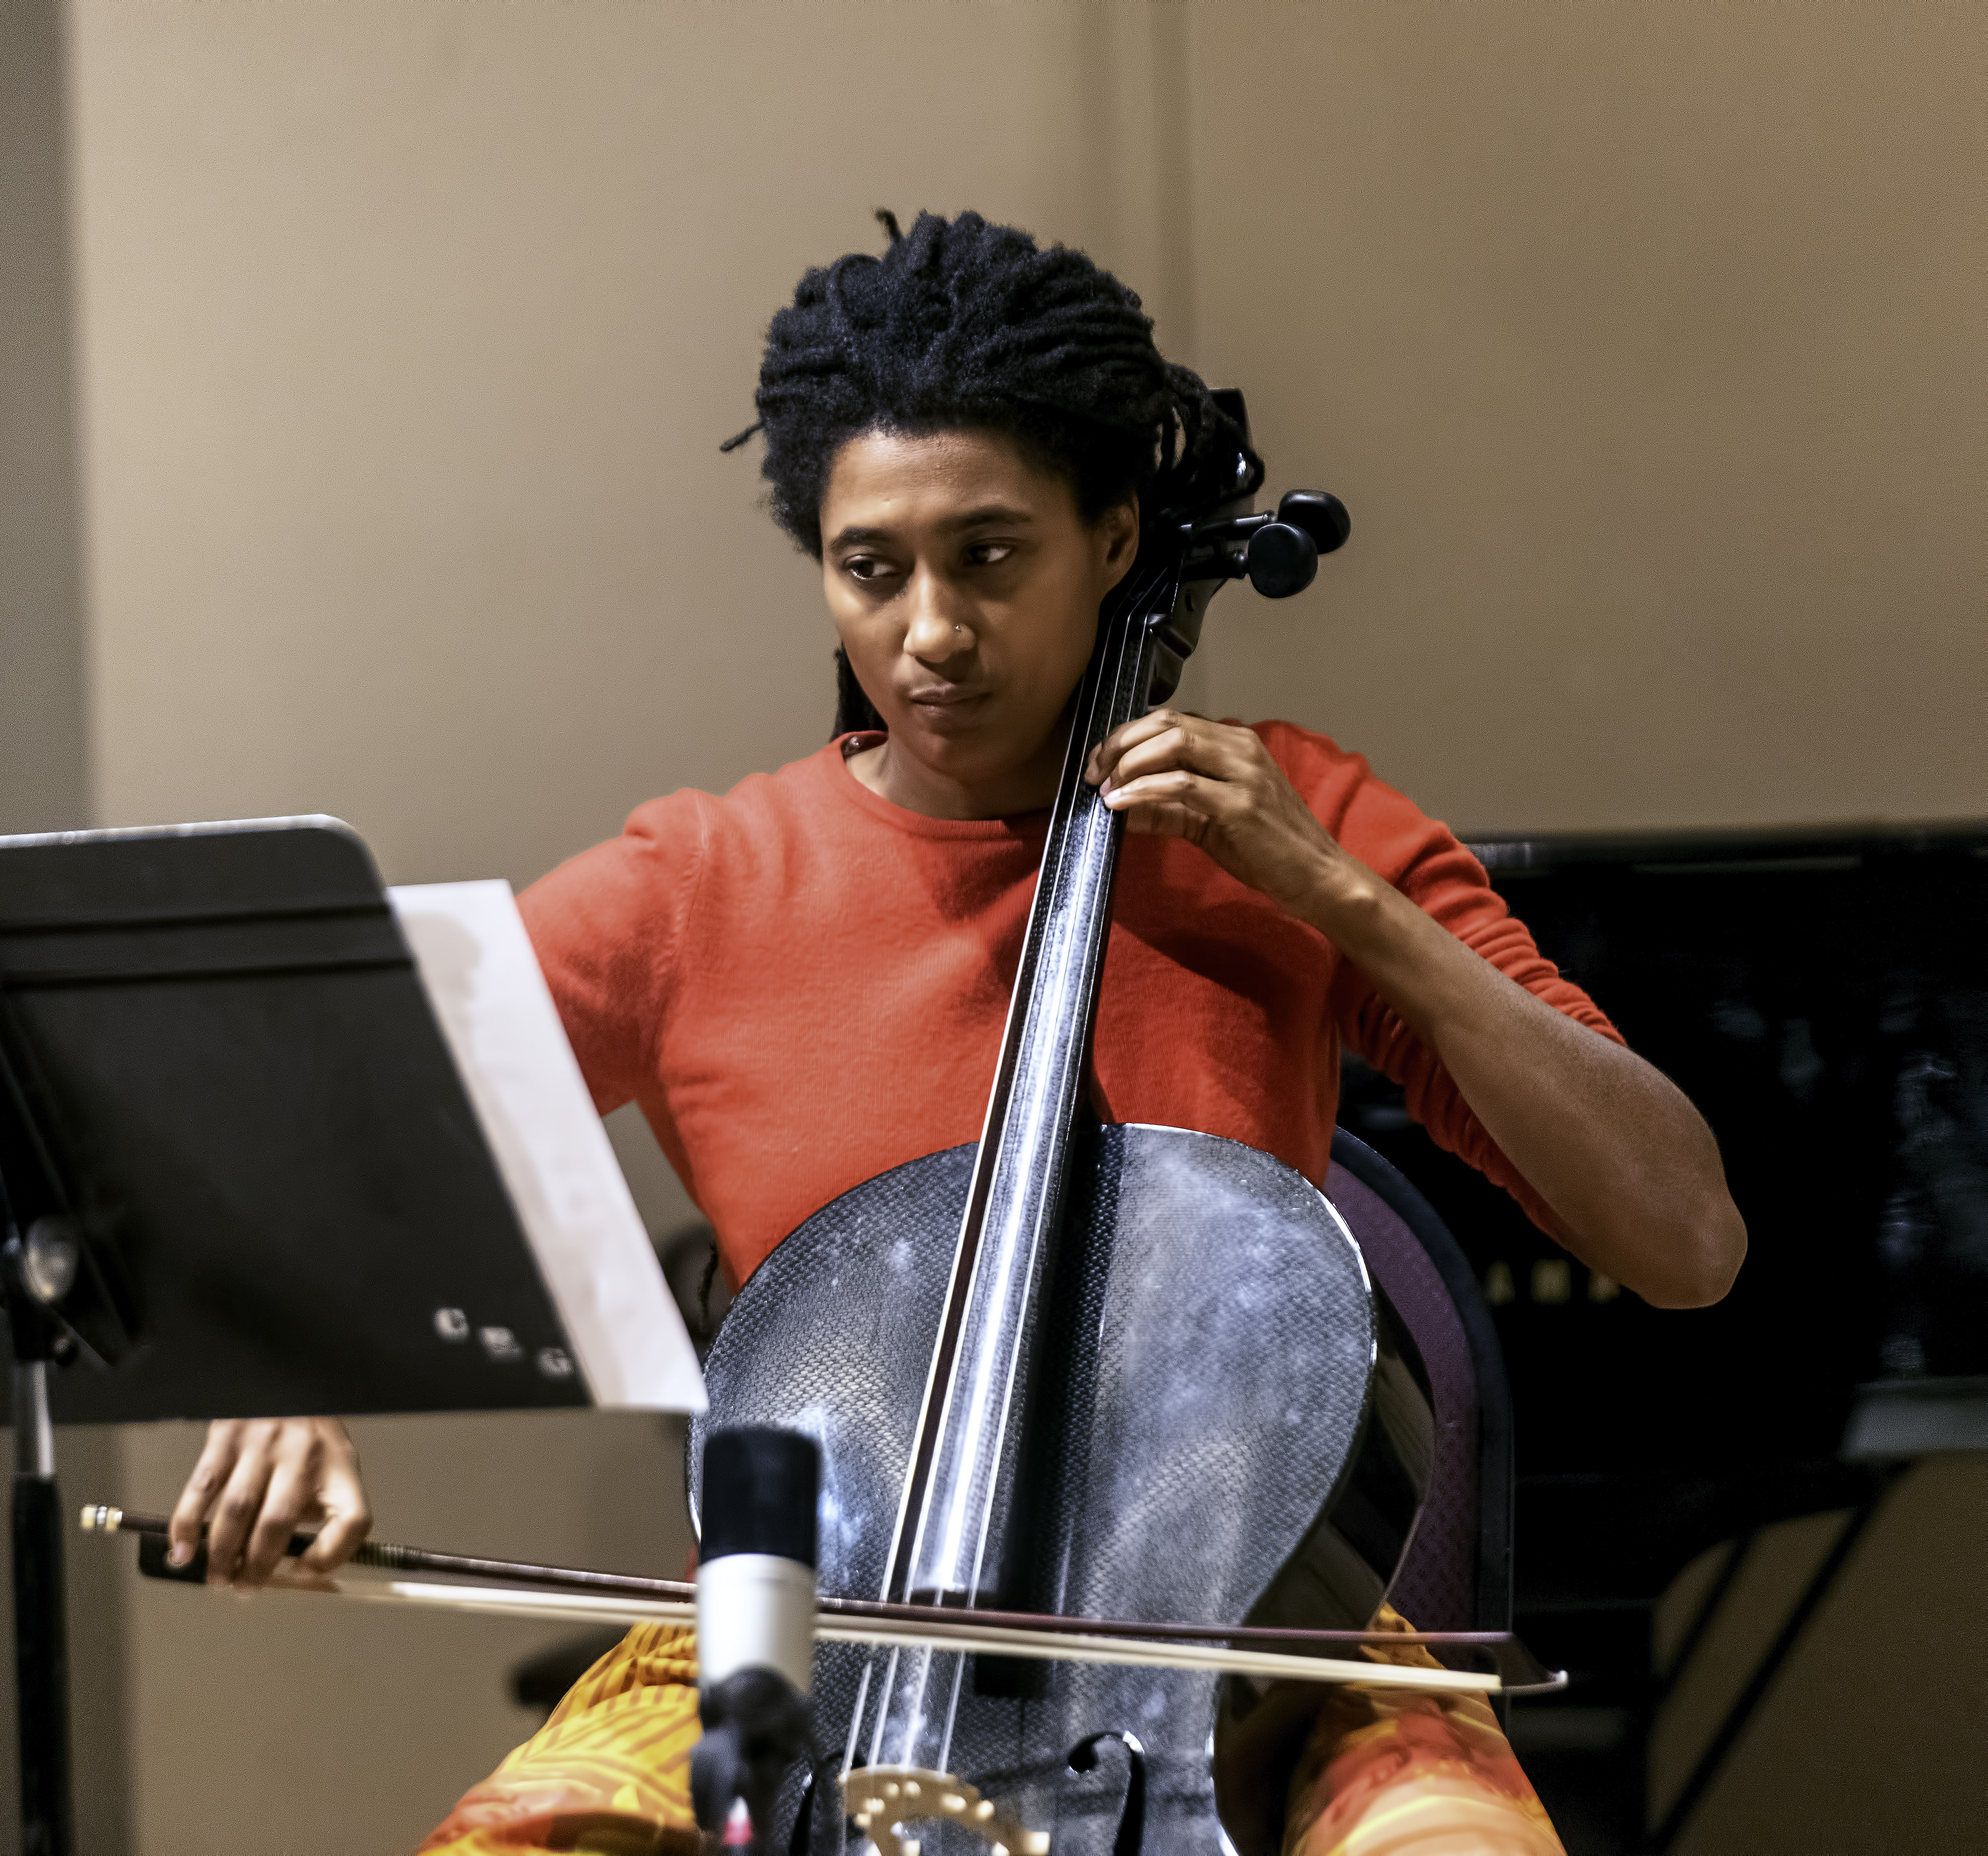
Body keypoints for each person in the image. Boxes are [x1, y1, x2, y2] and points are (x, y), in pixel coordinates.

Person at [168, 210, 1747, 1855]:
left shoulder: (1293, 822)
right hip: (798, 1628)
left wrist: (1342, 898)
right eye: (875, 567)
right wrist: (294, 1369)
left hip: (1261, 1629)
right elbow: (344, 1122)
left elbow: (1683, 1235)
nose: (929, 628)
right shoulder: (696, 881)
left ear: (1118, 537)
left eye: (991, 555)